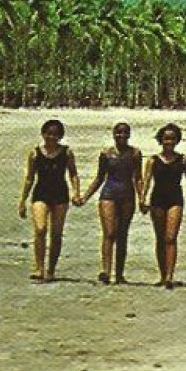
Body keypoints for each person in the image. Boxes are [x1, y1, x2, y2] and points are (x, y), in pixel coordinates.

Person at [139, 123, 186, 289]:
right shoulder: (152, 160)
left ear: (177, 140)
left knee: (171, 238)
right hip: (157, 199)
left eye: (172, 138)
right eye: (166, 138)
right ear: (161, 140)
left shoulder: (183, 160)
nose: (169, 142)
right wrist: (142, 199)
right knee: (160, 238)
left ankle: (170, 276)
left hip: (175, 200)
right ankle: (162, 275)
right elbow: (146, 180)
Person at [18, 119, 83, 282]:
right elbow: (29, 178)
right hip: (41, 193)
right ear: (43, 134)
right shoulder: (35, 154)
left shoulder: (66, 153)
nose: (51, 137)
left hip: (60, 194)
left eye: (55, 134)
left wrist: (76, 192)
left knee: (56, 234)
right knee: (40, 229)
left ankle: (51, 269)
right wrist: (22, 200)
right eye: (49, 134)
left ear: (60, 136)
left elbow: (73, 173)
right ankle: (39, 267)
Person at [80, 121, 145, 285]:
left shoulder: (135, 154)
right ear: (113, 134)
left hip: (127, 194)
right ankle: (106, 271)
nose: (121, 136)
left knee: (122, 234)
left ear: (129, 135)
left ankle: (120, 274)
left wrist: (142, 198)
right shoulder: (106, 154)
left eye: (124, 133)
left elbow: (138, 178)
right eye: (118, 133)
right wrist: (85, 196)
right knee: (109, 233)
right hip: (109, 193)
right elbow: (99, 178)